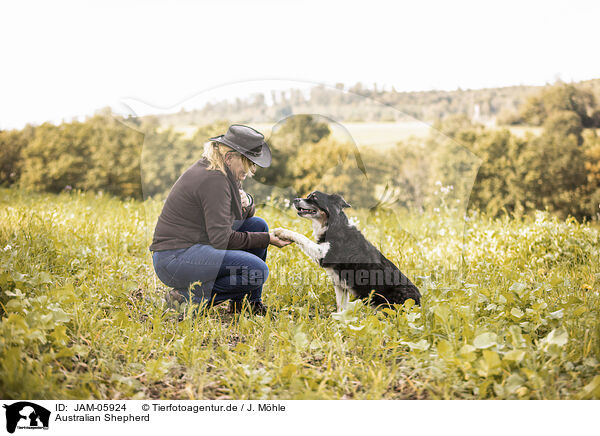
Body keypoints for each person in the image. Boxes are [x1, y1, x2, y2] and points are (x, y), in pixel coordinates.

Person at [149, 124, 292, 315]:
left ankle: (247, 303)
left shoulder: (223, 172)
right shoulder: (214, 181)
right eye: (248, 163)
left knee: (258, 224)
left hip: (194, 246)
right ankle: (188, 298)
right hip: (174, 258)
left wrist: (248, 202)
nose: (251, 171)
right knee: (256, 271)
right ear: (229, 157)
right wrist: (267, 239)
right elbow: (222, 239)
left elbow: (237, 216)